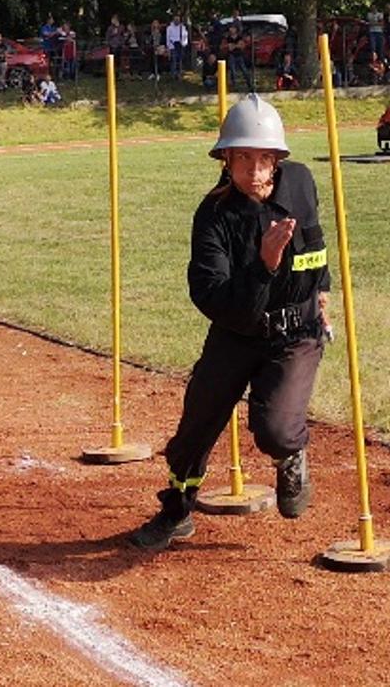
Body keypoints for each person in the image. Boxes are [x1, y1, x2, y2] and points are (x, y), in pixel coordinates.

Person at [130, 95, 330, 550]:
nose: (255, 171)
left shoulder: (300, 182)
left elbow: (316, 241)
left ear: (279, 159)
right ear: (225, 159)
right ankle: (177, 511)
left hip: (296, 334)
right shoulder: (213, 216)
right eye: (243, 158)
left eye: (265, 159)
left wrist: (323, 291)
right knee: (193, 431)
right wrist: (264, 263)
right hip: (236, 332)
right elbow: (213, 297)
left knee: (276, 430)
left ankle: (291, 458)